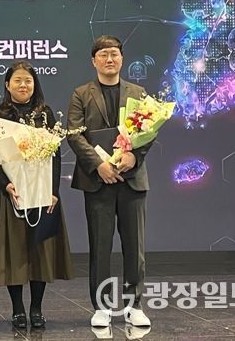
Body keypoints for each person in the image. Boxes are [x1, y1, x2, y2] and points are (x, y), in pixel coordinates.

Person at [67, 35, 153, 328]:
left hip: (132, 181)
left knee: (135, 247)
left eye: (114, 54)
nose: (109, 59)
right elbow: (75, 135)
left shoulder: (138, 92)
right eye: (103, 55)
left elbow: (148, 132)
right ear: (94, 61)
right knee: (100, 247)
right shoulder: (81, 94)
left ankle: (135, 305)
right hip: (98, 181)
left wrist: (134, 156)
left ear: (122, 58)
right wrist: (98, 165)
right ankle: (101, 307)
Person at [0, 61, 74, 330]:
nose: (23, 85)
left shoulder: (45, 114)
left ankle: (36, 308)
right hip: (11, 194)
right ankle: (17, 309)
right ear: (7, 84)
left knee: (40, 251)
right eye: (18, 80)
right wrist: (5, 184)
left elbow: (55, 155)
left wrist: (53, 191)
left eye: (28, 81)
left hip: (42, 192)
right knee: (13, 251)